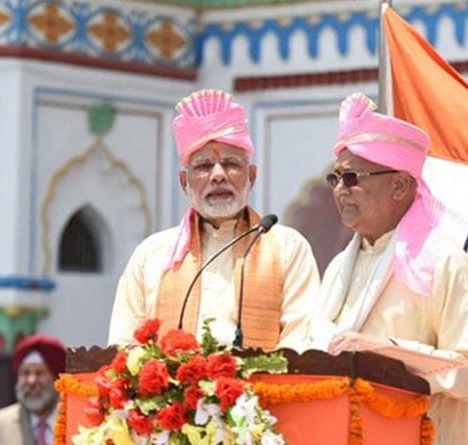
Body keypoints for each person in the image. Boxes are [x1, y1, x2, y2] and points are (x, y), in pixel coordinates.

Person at [305, 93, 468, 444]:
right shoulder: (338, 268)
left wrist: (383, 354)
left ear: (399, 185)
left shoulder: (442, 261)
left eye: (352, 179)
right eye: (336, 179)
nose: (340, 192)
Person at [108, 89, 320, 351]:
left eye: (231, 164)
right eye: (204, 166)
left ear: (251, 176)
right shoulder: (153, 254)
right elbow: (124, 344)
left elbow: (301, 341)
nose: (218, 175)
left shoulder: (287, 247)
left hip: (261, 391)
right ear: (184, 182)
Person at [0, 334, 66, 445]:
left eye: (40, 373)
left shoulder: (79, 424)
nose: (32, 381)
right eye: (25, 373)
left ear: (57, 379)